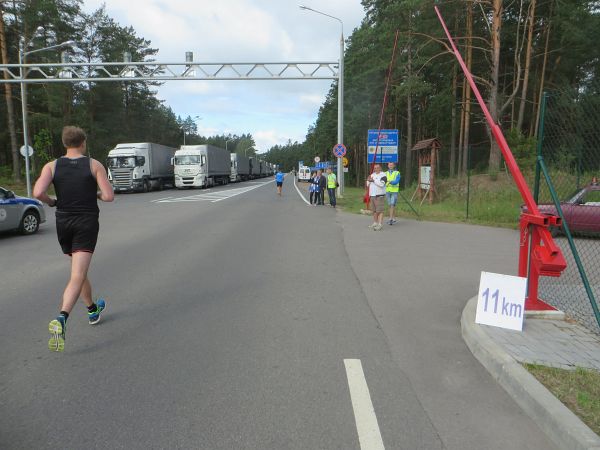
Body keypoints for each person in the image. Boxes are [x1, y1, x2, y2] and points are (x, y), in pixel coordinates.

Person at [33, 126, 114, 352]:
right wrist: (94, 193)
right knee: (77, 274)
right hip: (85, 222)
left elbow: (38, 193)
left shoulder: (51, 166)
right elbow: (108, 196)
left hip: (63, 222)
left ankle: (92, 309)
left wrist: (52, 202)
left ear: (64, 143)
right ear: (83, 143)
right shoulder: (93, 164)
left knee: (78, 269)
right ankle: (62, 317)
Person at [366, 164, 387, 231]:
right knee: (374, 211)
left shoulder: (383, 175)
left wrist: (373, 181)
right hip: (372, 195)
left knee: (380, 210)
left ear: (380, 168)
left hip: (379, 196)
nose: (376, 169)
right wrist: (368, 180)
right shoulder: (372, 175)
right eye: (375, 168)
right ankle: (375, 223)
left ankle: (380, 224)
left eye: (377, 168)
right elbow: (367, 185)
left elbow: (381, 184)